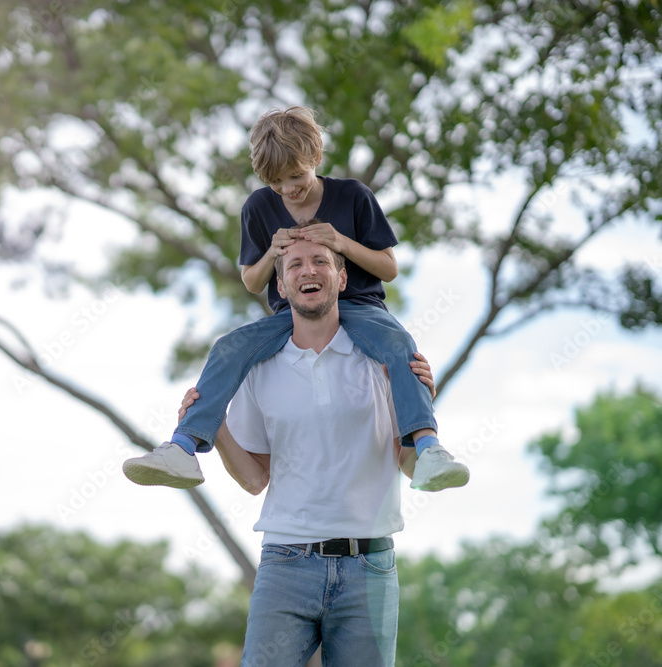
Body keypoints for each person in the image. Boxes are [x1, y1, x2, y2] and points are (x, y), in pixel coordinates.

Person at [123, 106, 468, 492]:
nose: (288, 188)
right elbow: (253, 281)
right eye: (276, 182)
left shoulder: (353, 196)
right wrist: (272, 253)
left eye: (296, 176)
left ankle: (428, 448)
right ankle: (183, 447)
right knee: (226, 348)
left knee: (400, 344)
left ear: (315, 158)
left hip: (360, 306)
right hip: (293, 312)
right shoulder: (258, 207)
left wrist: (339, 242)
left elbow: (388, 267)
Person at [202, 234, 412, 665]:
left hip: (369, 566)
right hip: (285, 563)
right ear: (281, 286)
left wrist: (418, 395)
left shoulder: (382, 360)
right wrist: (217, 428)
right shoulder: (258, 368)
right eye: (294, 265)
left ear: (342, 276)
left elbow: (408, 462)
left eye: (320, 260)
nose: (308, 270)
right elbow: (255, 478)